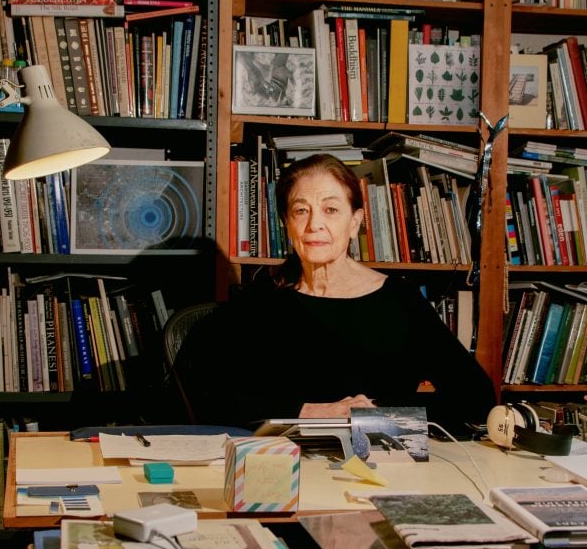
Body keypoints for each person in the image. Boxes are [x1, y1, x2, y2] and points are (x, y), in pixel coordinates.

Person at [191, 153, 496, 436]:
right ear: (286, 224)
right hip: (292, 461)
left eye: (331, 209)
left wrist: (378, 415)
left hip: (384, 459)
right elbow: (211, 395)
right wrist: (306, 411)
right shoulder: (262, 300)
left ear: (355, 222)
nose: (314, 225)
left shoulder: (400, 299)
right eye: (301, 210)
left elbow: (475, 397)